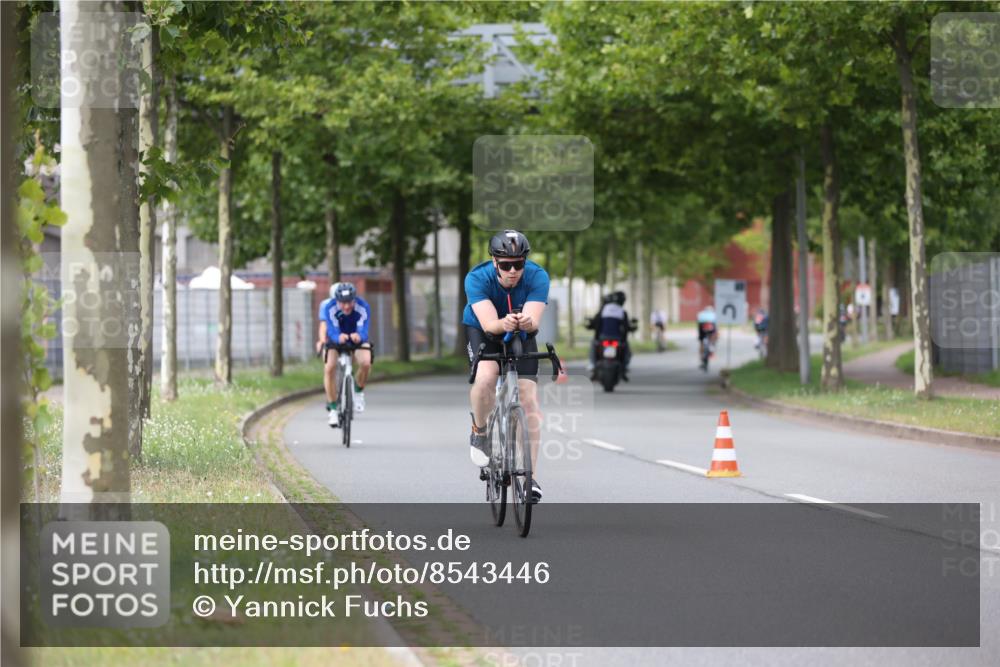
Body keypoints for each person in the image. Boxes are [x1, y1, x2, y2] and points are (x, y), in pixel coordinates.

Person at [463, 229, 548, 503]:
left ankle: (530, 479)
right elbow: (490, 325)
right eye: (506, 265)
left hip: (521, 333)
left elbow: (534, 321)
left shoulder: (537, 276)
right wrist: (505, 323)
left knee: (529, 400)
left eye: (519, 264)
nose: (513, 271)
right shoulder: (477, 278)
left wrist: (525, 323)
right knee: (487, 377)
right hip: (483, 330)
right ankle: (480, 429)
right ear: (494, 262)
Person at [315, 282, 373, 427]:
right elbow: (329, 327)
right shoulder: (329, 307)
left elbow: (364, 327)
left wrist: (359, 336)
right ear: (336, 300)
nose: (346, 306)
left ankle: (359, 392)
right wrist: (335, 338)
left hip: (355, 337)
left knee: (366, 361)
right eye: (343, 303)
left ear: (355, 299)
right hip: (337, 338)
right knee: (329, 367)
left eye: (350, 303)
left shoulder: (363, 306)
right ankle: (333, 409)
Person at [586, 291, 633, 381]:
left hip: (603, 338)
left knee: (593, 345)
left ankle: (592, 364)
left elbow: (596, 323)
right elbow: (626, 327)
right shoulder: (622, 311)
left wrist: (590, 325)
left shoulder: (603, 310)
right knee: (626, 348)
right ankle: (625, 366)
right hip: (617, 339)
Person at [696, 304, 718, 370]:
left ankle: (701, 356)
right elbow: (716, 326)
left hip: (702, 327)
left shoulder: (701, 314)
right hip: (711, 326)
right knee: (713, 337)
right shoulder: (714, 314)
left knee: (701, 342)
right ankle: (712, 348)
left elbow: (698, 323)